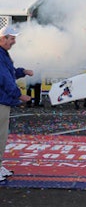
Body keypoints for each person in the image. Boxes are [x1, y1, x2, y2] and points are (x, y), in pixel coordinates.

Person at [0, 25, 33, 182]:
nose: (14, 41)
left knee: (3, 135)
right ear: (3, 38)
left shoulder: (3, 54)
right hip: (1, 102)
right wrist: (20, 95)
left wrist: (22, 71)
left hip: (3, 101)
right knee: (0, 136)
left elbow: (10, 72)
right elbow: (5, 79)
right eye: (12, 38)